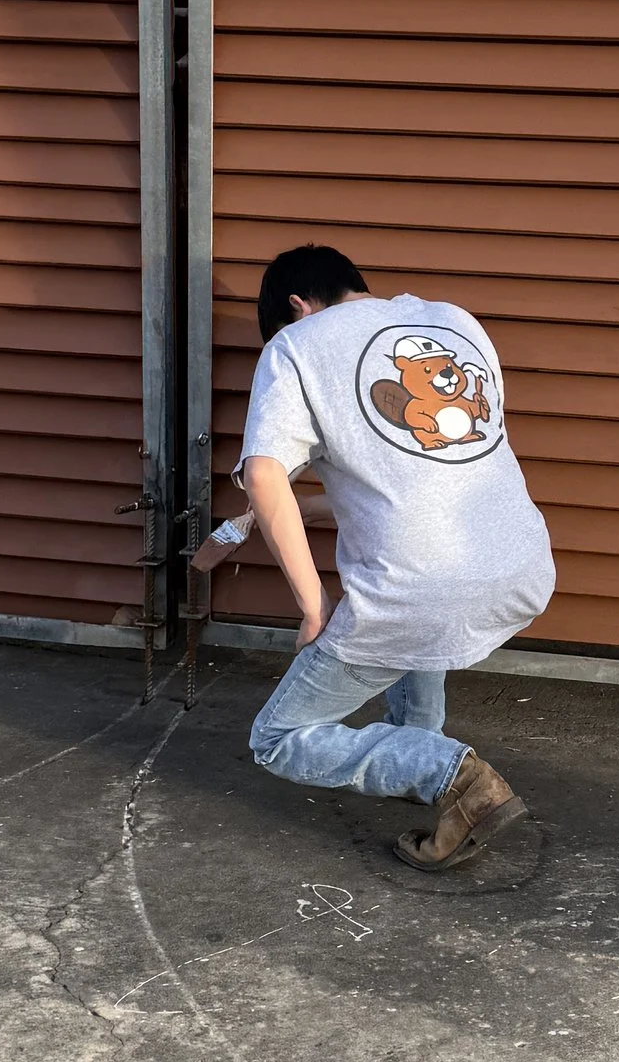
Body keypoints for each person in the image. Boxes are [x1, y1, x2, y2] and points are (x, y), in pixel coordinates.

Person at [227, 243, 554, 871]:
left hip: (419, 587)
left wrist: (313, 606)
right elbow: (420, 477)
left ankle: (454, 778)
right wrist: (302, 511)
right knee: (417, 621)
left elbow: (265, 475)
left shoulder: (297, 344)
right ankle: (423, 752)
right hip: (521, 565)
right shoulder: (453, 320)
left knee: (279, 738)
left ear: (298, 306)